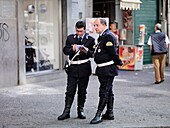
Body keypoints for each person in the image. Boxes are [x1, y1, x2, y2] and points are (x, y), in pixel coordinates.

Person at [58, 21, 95, 120]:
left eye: (81, 31)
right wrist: (72, 49)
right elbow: (65, 50)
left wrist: (86, 50)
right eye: (77, 31)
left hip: (84, 68)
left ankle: (80, 110)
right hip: (73, 68)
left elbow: (92, 54)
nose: (79, 33)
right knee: (70, 90)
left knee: (82, 91)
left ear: (84, 30)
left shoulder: (90, 39)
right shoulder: (70, 38)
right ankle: (66, 111)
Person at [90, 18, 123, 124]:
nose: (95, 27)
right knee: (109, 91)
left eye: (97, 25)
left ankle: (98, 115)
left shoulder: (108, 36)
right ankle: (109, 112)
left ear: (104, 25)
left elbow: (113, 53)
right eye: (94, 25)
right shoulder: (102, 36)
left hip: (107, 69)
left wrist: (119, 63)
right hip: (102, 69)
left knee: (104, 91)